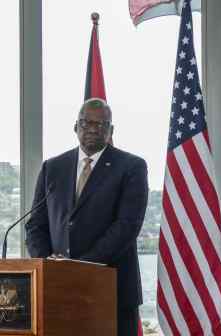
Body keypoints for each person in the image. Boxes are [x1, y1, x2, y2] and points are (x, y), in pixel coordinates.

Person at [25, 98, 148, 336]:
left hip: (112, 289)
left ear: (111, 130)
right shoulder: (53, 167)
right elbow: (35, 225)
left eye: (101, 124)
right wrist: (47, 266)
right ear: (75, 126)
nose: (92, 129)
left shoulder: (131, 166)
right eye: (86, 123)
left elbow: (126, 226)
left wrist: (79, 267)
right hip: (57, 290)